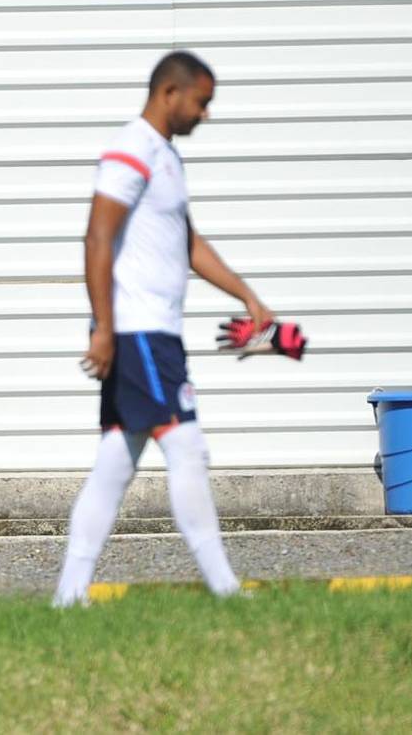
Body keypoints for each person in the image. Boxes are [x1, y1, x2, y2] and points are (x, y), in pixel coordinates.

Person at [52, 51, 275, 604]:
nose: (206, 113)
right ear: (169, 93)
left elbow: (188, 243)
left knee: (115, 463)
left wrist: (247, 296)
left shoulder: (167, 157)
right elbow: (97, 237)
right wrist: (104, 329)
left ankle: (68, 596)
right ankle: (225, 589)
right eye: (201, 102)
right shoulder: (131, 150)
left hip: (153, 334)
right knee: (188, 449)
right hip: (139, 333)